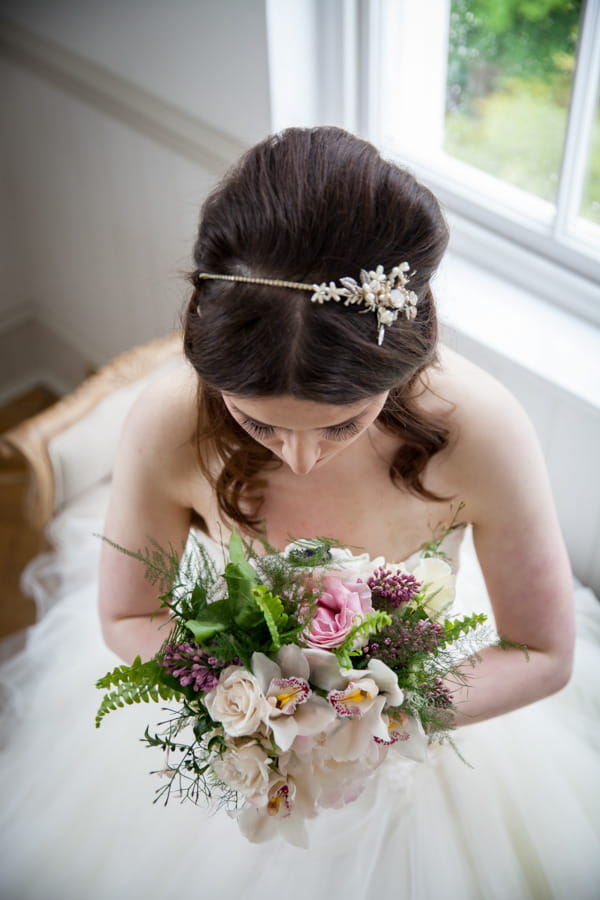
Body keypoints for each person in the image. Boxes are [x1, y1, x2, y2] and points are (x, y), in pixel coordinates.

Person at [1, 127, 599, 899]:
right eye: (258, 423)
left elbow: (543, 651)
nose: (300, 457)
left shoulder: (483, 430)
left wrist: (382, 716)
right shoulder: (165, 422)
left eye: (341, 425)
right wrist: (247, 709)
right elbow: (126, 615)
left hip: (426, 739)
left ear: (405, 359)